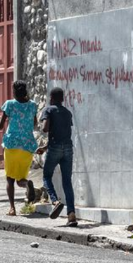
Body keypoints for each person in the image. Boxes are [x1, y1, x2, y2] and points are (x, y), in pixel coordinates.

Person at [38, 87, 78, 227]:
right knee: (67, 181)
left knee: (46, 176)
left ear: (52, 98)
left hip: (55, 148)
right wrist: (45, 147)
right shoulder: (67, 113)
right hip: (67, 148)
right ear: (62, 99)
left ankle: (55, 201)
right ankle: (71, 215)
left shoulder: (48, 110)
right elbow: (63, 133)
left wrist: (44, 122)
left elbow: (46, 129)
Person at [0, 81, 37, 216]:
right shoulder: (32, 105)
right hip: (27, 145)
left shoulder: (9, 104)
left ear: (14, 91)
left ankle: (12, 208)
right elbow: (35, 123)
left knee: (10, 179)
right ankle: (27, 184)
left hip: (12, 145)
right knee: (20, 179)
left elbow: (0, 125)